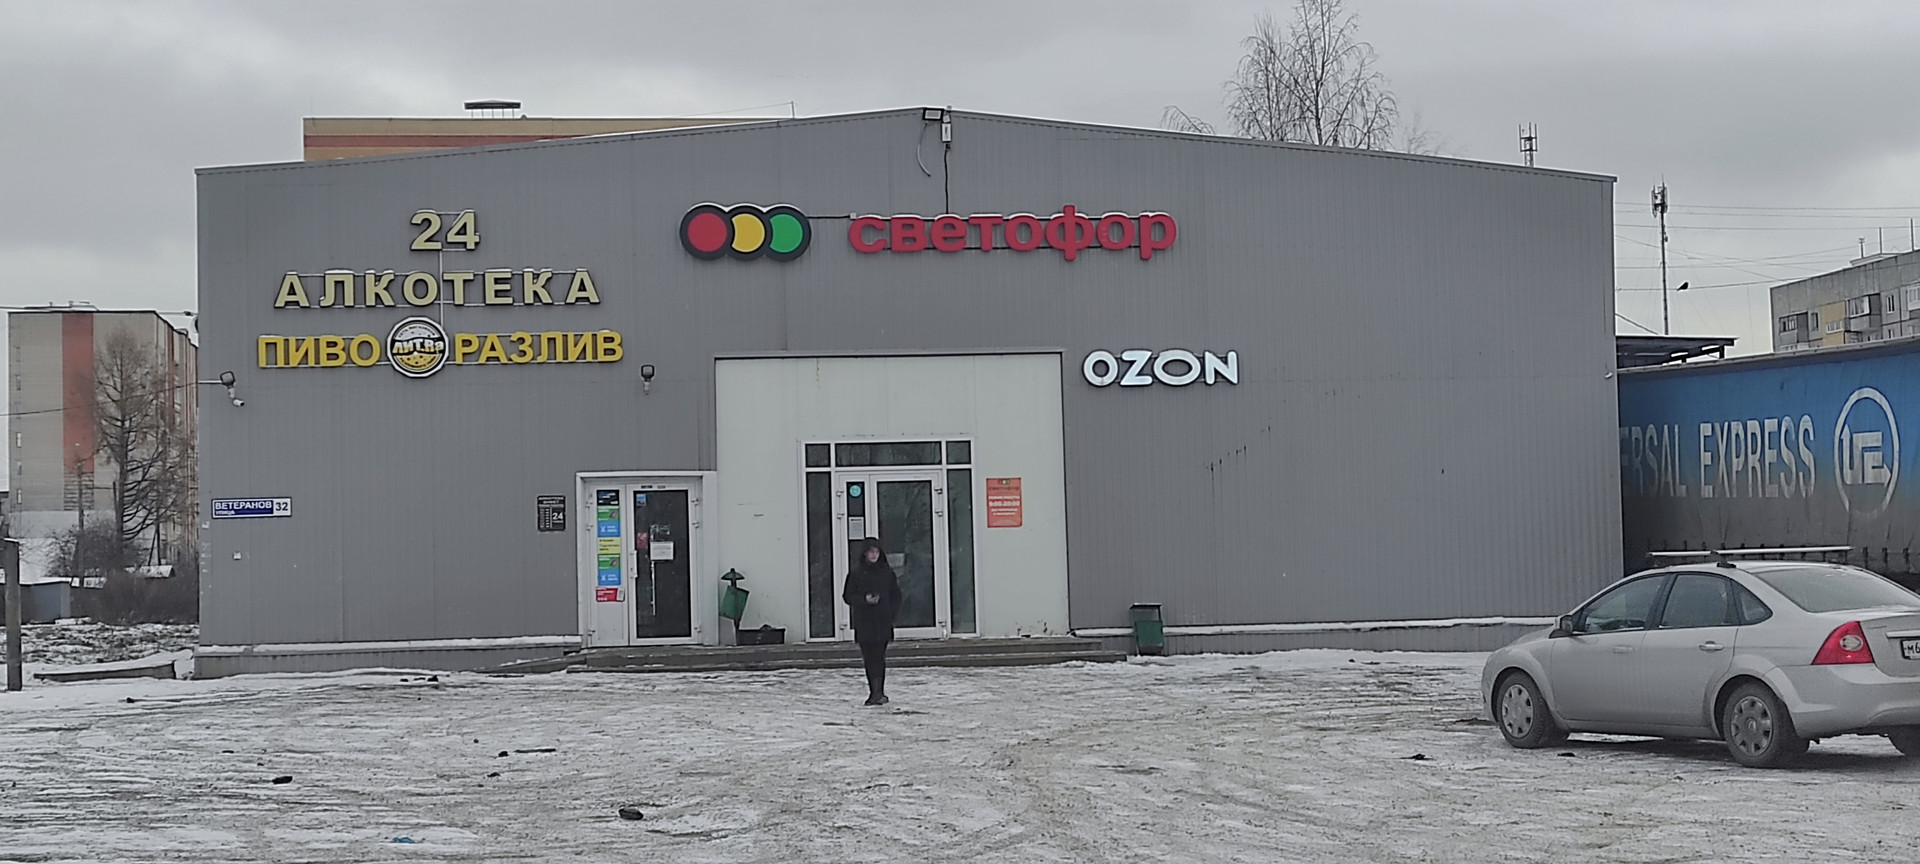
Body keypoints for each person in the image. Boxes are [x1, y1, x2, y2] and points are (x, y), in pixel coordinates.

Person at [842, 539, 902, 706]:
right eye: (871, 552)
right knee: (869, 657)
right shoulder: (856, 573)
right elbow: (848, 596)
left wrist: (891, 613)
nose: (874, 555)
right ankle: (874, 692)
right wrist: (864, 600)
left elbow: (896, 595)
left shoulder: (887, 573)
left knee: (879, 657)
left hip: (882, 621)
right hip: (864, 621)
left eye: (876, 552)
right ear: (865, 554)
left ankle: (879, 692)